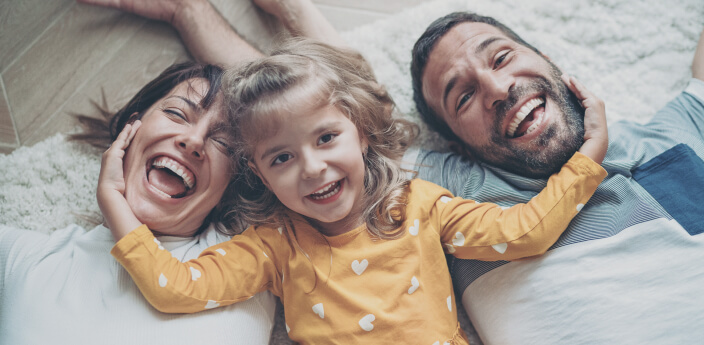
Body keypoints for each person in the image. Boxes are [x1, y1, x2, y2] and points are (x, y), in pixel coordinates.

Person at [100, 38, 607, 344]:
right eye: (282, 158)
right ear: (257, 172)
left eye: (326, 138)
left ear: (361, 131)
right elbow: (176, 288)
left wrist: (587, 159)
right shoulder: (274, 245)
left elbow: (525, 233)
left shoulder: (419, 205)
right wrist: (116, 203)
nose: (313, 169)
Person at [408, 12, 704, 344]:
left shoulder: (675, 128)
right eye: (463, 97)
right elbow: (343, 122)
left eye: (501, 58)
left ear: (547, 60)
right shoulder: (458, 200)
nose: (499, 88)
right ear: (458, 148)